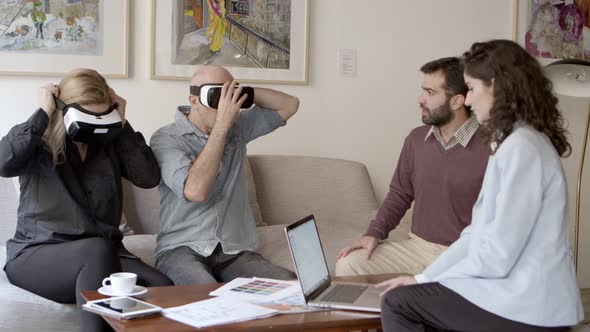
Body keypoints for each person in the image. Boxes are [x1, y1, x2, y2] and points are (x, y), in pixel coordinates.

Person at [378, 39, 584, 332]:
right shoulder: (511, 142)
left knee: (399, 303)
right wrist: (423, 278)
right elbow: (476, 233)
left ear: (497, 86)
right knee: (411, 298)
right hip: (514, 294)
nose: (470, 100)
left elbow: (498, 255)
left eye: (472, 88)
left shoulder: (523, 147)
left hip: (530, 304)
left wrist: (430, 282)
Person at [0, 69, 173, 332]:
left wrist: (122, 124)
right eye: (86, 116)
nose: (94, 124)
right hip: (38, 255)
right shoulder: (38, 142)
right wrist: (43, 113)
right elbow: (4, 163)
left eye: (100, 115)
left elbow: (148, 177)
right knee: (96, 249)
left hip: (103, 255)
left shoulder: (110, 143)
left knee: (162, 288)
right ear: (64, 109)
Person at [335, 57, 489, 276]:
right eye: (422, 91)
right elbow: (400, 194)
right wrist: (374, 234)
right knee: (349, 264)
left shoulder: (493, 147)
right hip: (417, 248)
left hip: (464, 254)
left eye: (430, 93)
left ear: (456, 101)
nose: (421, 99)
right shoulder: (416, 140)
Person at [150, 65, 299, 285]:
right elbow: (195, 191)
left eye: (229, 96)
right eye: (216, 96)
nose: (225, 106)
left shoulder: (238, 128)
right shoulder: (166, 138)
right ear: (194, 100)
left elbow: (290, 105)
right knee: (205, 295)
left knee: (288, 286)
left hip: (235, 250)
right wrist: (221, 126)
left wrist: (243, 93)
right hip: (182, 248)